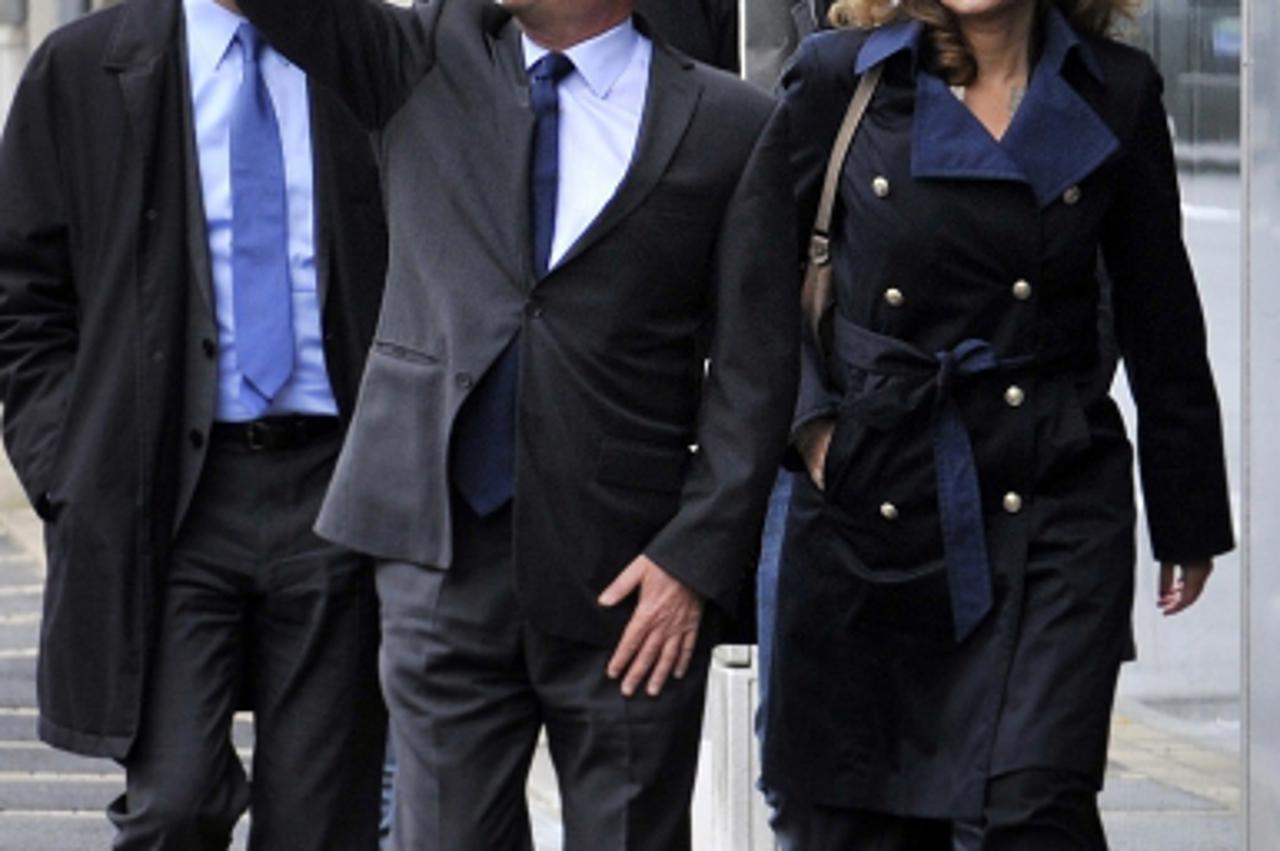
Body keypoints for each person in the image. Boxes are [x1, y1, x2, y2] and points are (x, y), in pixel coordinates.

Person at [233, 0, 799, 848]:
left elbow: (755, 378)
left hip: (632, 584)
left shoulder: (731, 122)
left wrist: (694, 560)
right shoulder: (421, 57)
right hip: (442, 563)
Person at [760, 0, 1235, 847]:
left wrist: (1186, 511)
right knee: (853, 821)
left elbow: (1160, 314)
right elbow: (755, 280)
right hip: (870, 503)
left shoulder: (1114, 89)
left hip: (1050, 500)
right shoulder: (846, 75)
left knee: (1031, 810)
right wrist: (814, 430)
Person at [0, 0, 388, 844]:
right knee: (172, 804)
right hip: (170, 500)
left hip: (337, 488)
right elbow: (22, 300)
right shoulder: (80, 70)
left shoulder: (371, 53)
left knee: (322, 822)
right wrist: (66, 470)